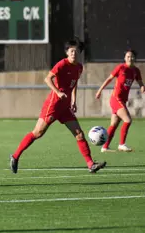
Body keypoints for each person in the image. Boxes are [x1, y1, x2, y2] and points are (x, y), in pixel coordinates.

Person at [9, 39, 106, 174]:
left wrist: (73, 100)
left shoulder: (79, 67)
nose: (74, 53)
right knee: (37, 133)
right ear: (67, 52)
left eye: (76, 51)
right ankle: (15, 156)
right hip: (53, 105)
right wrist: (58, 92)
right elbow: (47, 79)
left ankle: (90, 164)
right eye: (71, 51)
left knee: (79, 134)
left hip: (65, 107)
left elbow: (74, 83)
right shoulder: (62, 64)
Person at [95, 48, 144, 152]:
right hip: (116, 99)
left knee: (114, 125)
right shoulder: (121, 68)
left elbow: (140, 83)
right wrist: (99, 91)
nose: (130, 58)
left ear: (135, 58)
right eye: (128, 56)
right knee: (128, 120)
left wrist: (142, 87)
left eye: (132, 56)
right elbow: (109, 79)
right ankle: (122, 144)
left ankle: (104, 147)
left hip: (123, 100)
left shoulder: (136, 70)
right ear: (125, 58)